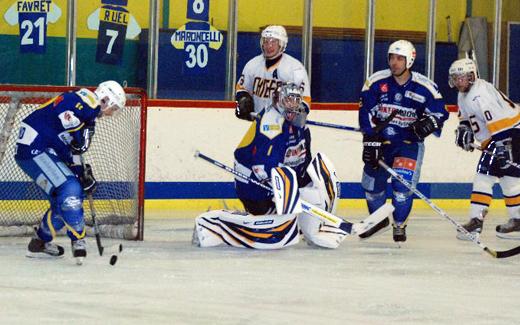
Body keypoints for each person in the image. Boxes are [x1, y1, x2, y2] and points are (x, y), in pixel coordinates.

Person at [194, 82, 394, 249]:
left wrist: (305, 188)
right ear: (278, 102)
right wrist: (278, 190)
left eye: (295, 100)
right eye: (287, 100)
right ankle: (215, 222)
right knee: (272, 230)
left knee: (312, 192)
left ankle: (312, 227)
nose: (292, 105)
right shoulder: (271, 125)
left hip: (280, 179)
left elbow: (304, 160)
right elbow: (262, 166)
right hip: (254, 185)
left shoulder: (300, 124)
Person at [16, 80, 126, 262]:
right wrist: (77, 132)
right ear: (106, 99)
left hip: (40, 150)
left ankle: (39, 244)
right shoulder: (86, 101)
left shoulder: (88, 117)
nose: (110, 114)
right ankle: (78, 239)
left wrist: (81, 173)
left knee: (66, 196)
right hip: (35, 147)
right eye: (113, 108)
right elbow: (65, 111)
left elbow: (71, 150)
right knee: (70, 190)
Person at [358, 40, 449, 242]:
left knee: (401, 189)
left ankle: (399, 224)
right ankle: (378, 220)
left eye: (400, 59)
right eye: (392, 57)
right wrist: (369, 138)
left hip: (408, 146)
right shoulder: (376, 82)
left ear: (410, 61)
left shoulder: (425, 87)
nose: (394, 63)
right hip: (380, 144)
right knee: (371, 187)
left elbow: (441, 113)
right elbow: (365, 112)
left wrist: (430, 122)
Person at [448, 58, 520, 240]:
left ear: (472, 76)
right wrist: (464, 129)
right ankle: (518, 220)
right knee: (509, 179)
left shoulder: (480, 94)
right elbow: (465, 117)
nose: (458, 81)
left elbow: (500, 122)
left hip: (508, 135)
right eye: (455, 78)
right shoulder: (464, 93)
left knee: (483, 176)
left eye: (462, 77)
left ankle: (475, 221)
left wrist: (504, 148)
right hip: (503, 136)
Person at [234, 25, 311, 121]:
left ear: (282, 44)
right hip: (259, 124)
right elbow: (242, 88)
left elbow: (305, 100)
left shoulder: (295, 68)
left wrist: (295, 112)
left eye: (273, 42)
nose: (269, 46)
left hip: (285, 126)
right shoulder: (252, 64)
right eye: (266, 41)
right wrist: (243, 99)